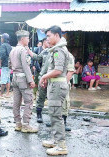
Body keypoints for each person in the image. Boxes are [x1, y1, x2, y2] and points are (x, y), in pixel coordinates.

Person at [39, 26, 69, 155]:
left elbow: (58, 70)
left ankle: (61, 146)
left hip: (57, 87)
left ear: (57, 35)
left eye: (49, 36)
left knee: (56, 115)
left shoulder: (59, 50)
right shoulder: (55, 49)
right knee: (53, 114)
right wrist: (47, 78)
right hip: (54, 85)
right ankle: (55, 141)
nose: (47, 39)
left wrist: (44, 76)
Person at [8, 30, 38, 133]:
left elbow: (9, 65)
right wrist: (31, 80)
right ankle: (26, 125)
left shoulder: (12, 50)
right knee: (29, 101)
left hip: (15, 78)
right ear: (22, 39)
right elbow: (26, 66)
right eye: (27, 38)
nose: (28, 40)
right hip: (23, 79)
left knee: (16, 102)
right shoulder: (23, 50)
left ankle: (18, 124)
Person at [27, 38, 50, 123]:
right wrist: (29, 52)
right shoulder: (45, 51)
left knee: (53, 98)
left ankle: (53, 117)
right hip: (43, 78)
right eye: (47, 40)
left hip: (52, 79)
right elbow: (37, 57)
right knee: (41, 97)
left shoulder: (57, 52)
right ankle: (39, 115)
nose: (48, 41)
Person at [0, 33, 12, 97]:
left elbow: (3, 54)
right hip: (9, 64)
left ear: (3, 39)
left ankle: (1, 94)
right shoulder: (9, 46)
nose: (1, 39)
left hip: (4, 64)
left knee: (3, 79)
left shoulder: (3, 45)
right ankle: (7, 93)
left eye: (1, 38)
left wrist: (0, 61)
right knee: (8, 79)